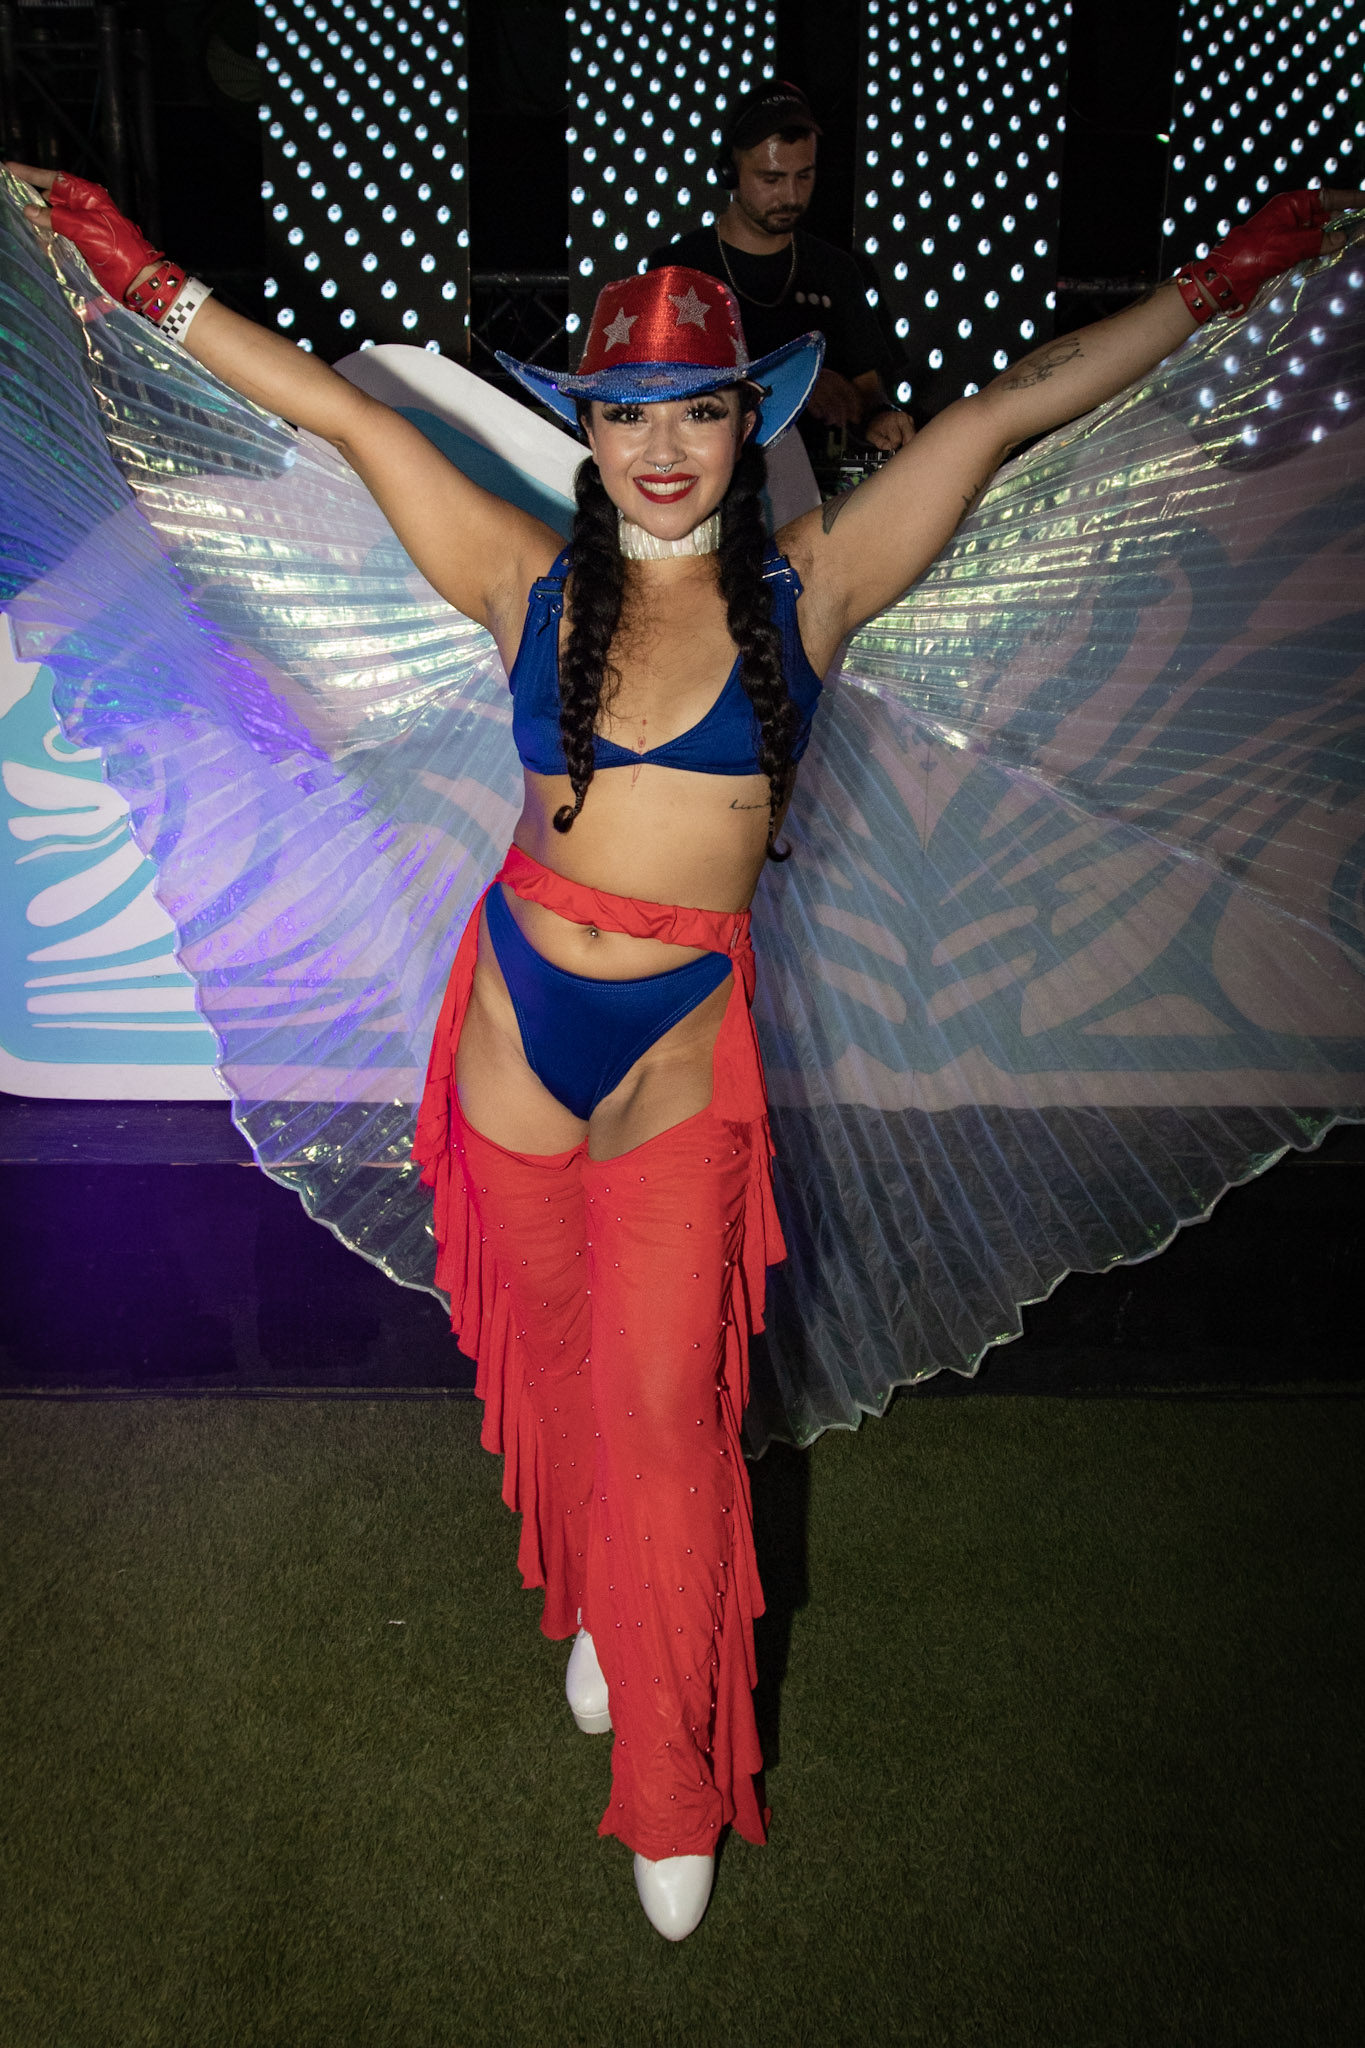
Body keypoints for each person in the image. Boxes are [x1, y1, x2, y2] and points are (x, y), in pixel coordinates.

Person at [9, 161, 1356, 1942]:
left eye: (699, 411)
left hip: (676, 1065)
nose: (662, 445)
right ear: (593, 425)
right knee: (566, 1370)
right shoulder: (515, 572)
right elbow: (327, 402)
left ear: (747, 423)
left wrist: (1228, 279)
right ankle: (598, 1600)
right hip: (509, 1030)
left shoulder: (816, 584)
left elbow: (1018, 403)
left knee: (666, 1413)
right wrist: (128, 267)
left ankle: (666, 1764)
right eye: (631, 411)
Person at [646, 81, 914, 458]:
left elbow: (869, 388)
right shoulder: (678, 268)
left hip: (820, 485)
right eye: (771, 179)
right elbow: (662, 390)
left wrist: (882, 414)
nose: (790, 196)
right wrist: (794, 387)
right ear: (730, 173)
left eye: (804, 176)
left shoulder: (836, 269)